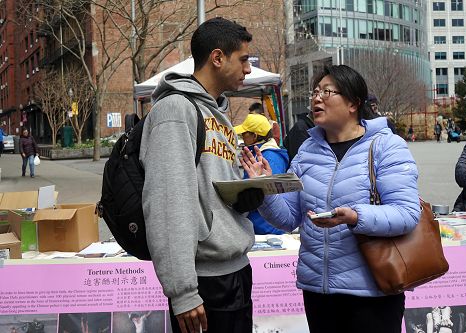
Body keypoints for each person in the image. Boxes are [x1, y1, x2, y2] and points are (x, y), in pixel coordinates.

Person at [240, 64, 420, 333]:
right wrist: (265, 186)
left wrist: (356, 217)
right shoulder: (306, 151)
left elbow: (407, 214)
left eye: (327, 91)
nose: (316, 98)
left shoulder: (386, 146)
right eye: (315, 92)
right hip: (319, 291)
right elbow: (289, 219)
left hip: (372, 291)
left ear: (353, 103)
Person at [139, 17, 259, 333]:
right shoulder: (175, 110)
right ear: (217, 58)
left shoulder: (220, 118)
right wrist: (183, 292)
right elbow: (168, 202)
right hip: (203, 283)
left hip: (236, 271)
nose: (248, 69)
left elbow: (216, 193)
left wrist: (249, 191)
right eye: (243, 59)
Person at [235, 113, 289, 234]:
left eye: (244, 134)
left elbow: (270, 192)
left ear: (255, 136)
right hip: (259, 224)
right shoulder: (260, 153)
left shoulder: (270, 157)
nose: (242, 137)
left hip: (267, 228)